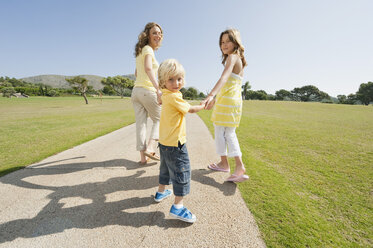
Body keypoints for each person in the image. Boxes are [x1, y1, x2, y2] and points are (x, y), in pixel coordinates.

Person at [153, 59, 204, 223]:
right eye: (171, 79)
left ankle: (161, 192)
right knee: (182, 172)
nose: (176, 83)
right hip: (176, 144)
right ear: (163, 81)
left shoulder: (165, 94)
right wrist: (204, 105)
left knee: (166, 169)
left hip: (165, 143)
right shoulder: (174, 97)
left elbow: (159, 98)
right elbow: (191, 109)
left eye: (179, 79)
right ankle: (178, 207)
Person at [202, 28, 249, 183]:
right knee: (228, 132)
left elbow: (223, 78)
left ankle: (231, 164)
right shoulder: (239, 59)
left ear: (235, 42)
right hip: (233, 101)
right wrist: (216, 99)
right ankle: (228, 164)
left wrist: (210, 95)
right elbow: (229, 85)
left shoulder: (232, 57)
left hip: (228, 101)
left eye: (228, 41)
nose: (224, 44)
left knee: (222, 132)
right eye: (222, 42)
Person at [131, 22, 163, 165]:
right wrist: (158, 88)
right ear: (148, 35)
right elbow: (148, 69)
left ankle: (143, 159)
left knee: (141, 124)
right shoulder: (148, 50)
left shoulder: (140, 51)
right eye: (155, 33)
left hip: (136, 92)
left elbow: (136, 72)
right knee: (160, 119)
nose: (158, 35)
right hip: (147, 90)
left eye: (160, 33)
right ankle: (150, 148)